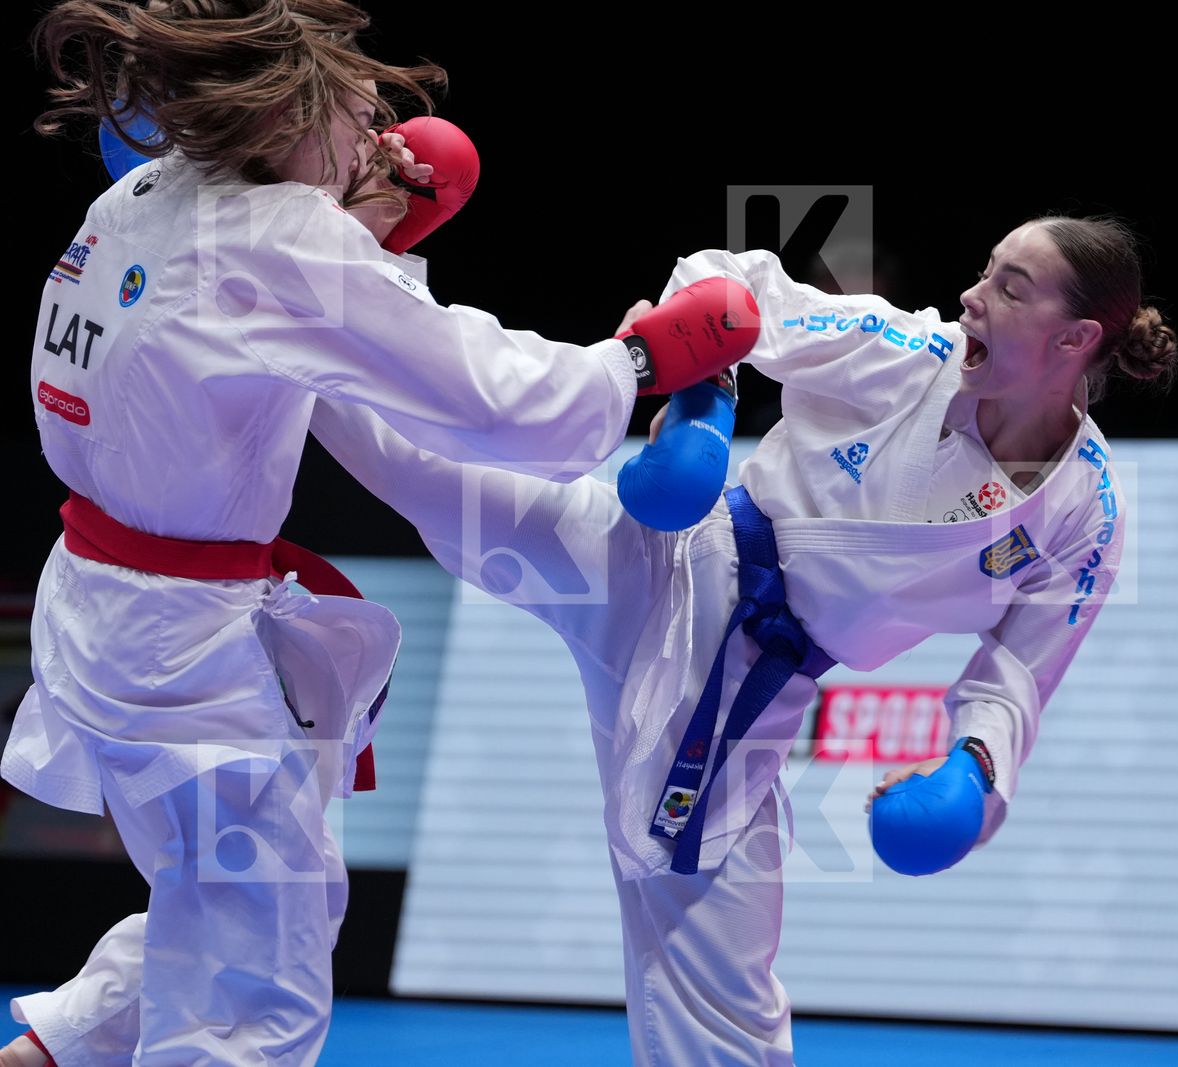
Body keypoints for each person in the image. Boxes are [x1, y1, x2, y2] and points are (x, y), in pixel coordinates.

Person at [3, 2, 752, 1065]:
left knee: (228, 883)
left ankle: (57, 1047)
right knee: (255, 981)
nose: (377, 135)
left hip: (99, 612)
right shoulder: (275, 238)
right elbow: (485, 399)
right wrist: (638, 362)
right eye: (357, 117)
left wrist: (369, 235)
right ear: (285, 117)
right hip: (183, 657)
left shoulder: (139, 196)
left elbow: (242, 332)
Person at [309, 213, 1178, 1064]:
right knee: (418, 460)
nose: (972, 295)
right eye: (986, 269)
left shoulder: (1087, 512)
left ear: (1075, 339)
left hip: (749, 685)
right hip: (663, 556)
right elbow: (727, 286)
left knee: (719, 987)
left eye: (1009, 288)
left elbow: (1018, 669)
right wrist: (701, 409)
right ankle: (309, 289)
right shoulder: (908, 351)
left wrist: (974, 768)